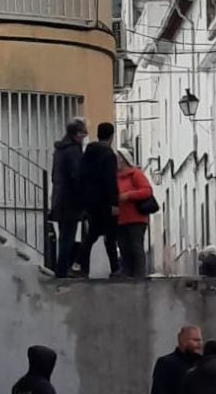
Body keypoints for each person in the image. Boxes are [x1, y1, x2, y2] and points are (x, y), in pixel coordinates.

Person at [80, 122, 120, 277]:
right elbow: (110, 180)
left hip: (90, 201)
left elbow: (81, 176)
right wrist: (114, 202)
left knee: (91, 234)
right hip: (105, 202)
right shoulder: (109, 155)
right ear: (111, 136)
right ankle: (115, 269)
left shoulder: (87, 153)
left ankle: (83, 268)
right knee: (110, 236)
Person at [50, 118, 87, 278]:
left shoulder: (60, 150)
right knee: (68, 237)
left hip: (59, 198)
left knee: (63, 237)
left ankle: (61, 269)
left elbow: (54, 174)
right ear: (77, 134)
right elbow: (77, 175)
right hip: (71, 200)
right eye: (84, 133)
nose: (85, 137)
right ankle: (63, 271)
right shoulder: (73, 150)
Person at [116, 153, 154, 278]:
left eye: (119, 159)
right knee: (124, 247)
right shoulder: (115, 177)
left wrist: (128, 196)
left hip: (137, 218)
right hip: (121, 219)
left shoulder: (136, 174)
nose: (116, 162)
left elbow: (147, 191)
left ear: (124, 160)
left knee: (135, 246)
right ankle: (126, 273)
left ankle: (139, 275)